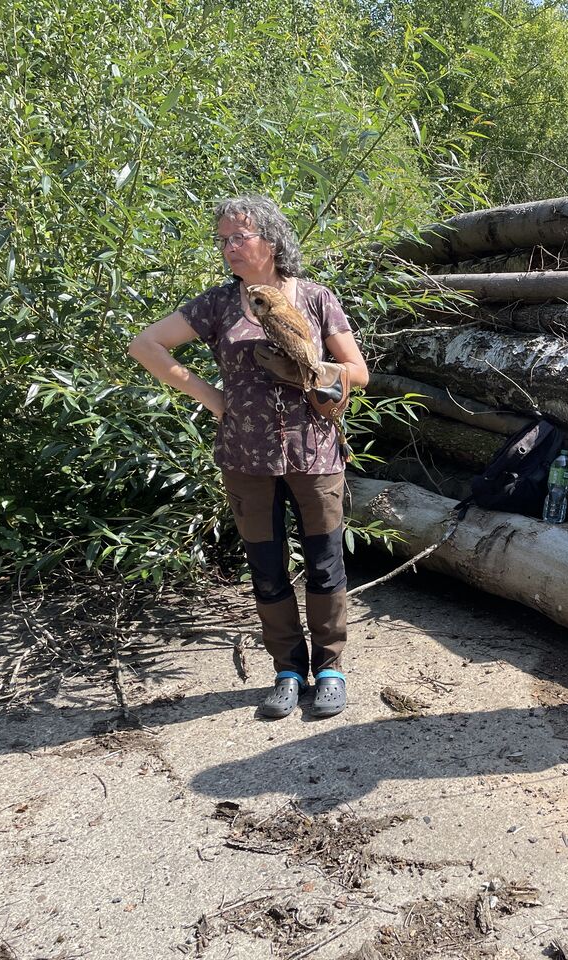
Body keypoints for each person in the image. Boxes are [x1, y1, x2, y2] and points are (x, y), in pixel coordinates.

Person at [129, 195, 369, 717]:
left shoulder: (315, 298)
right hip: (245, 455)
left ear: (272, 240)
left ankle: (329, 668)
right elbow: (146, 345)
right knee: (266, 564)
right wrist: (215, 401)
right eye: (223, 240)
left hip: (316, 450)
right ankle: (287, 670)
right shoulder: (216, 305)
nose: (229, 248)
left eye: (239, 237)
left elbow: (359, 372)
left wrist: (314, 371)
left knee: (326, 562)